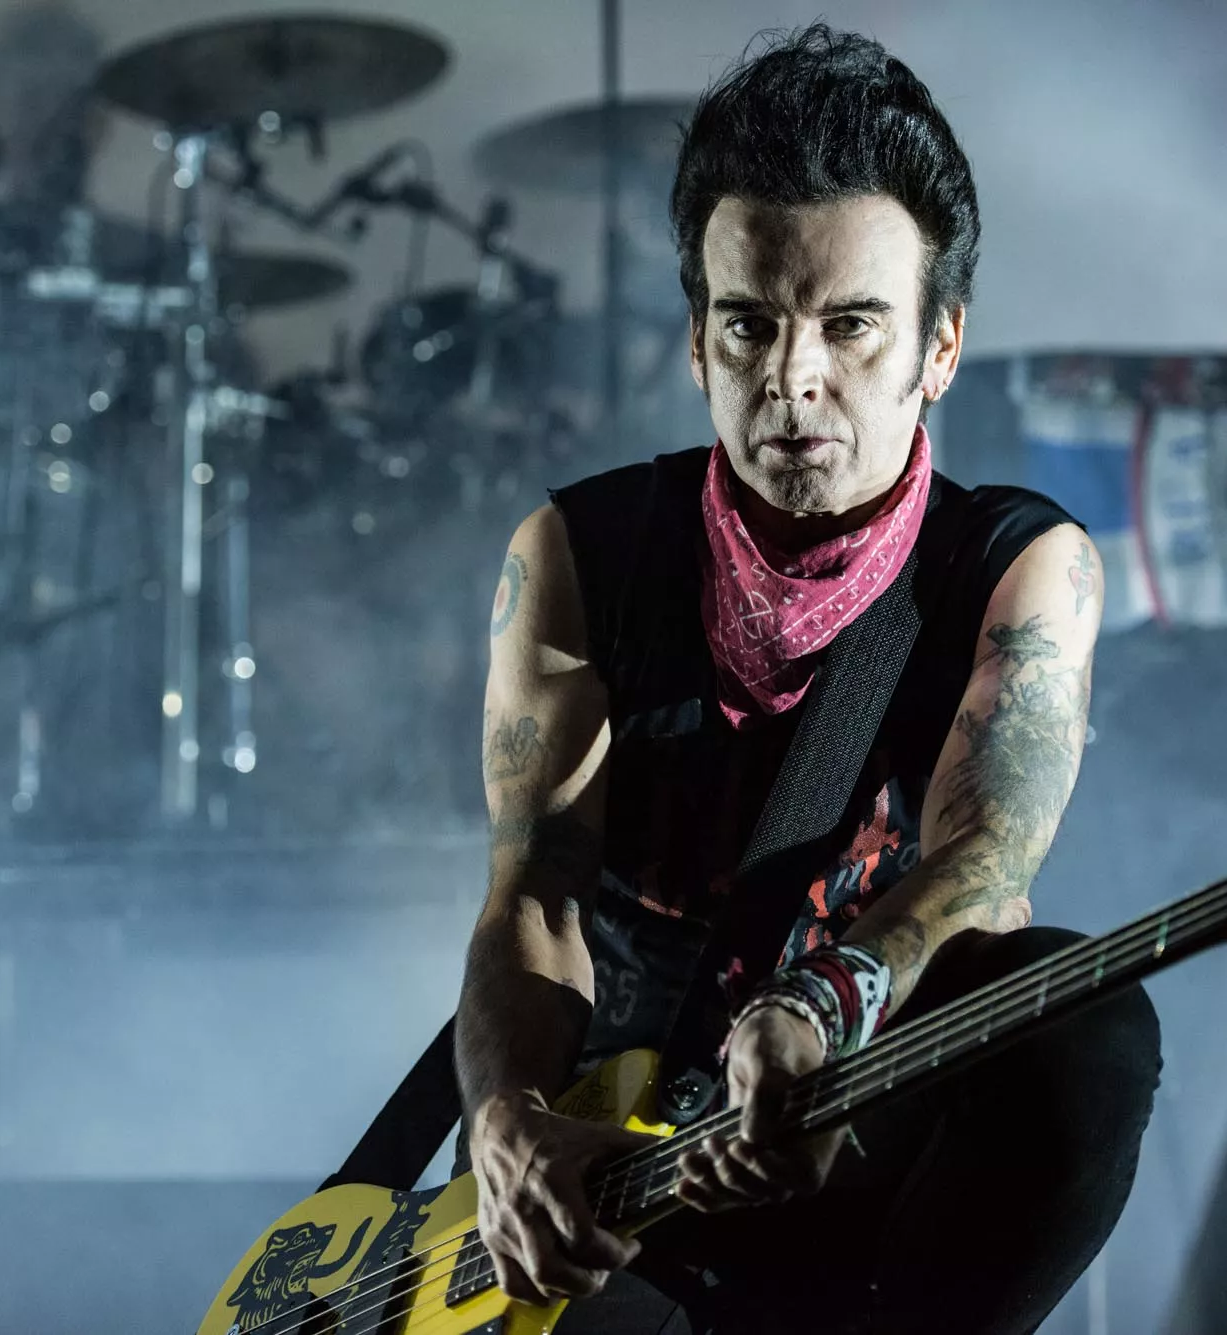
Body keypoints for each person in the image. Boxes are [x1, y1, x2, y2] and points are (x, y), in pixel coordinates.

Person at [455, 24, 1162, 1335]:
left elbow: (987, 859)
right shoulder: (575, 555)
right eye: (750, 324)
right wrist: (506, 1121)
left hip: (861, 1126)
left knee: (1084, 1019)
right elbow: (534, 892)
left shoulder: (1020, 569)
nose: (793, 379)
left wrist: (820, 1006)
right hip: (627, 1171)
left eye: (851, 327)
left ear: (940, 348)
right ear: (697, 341)